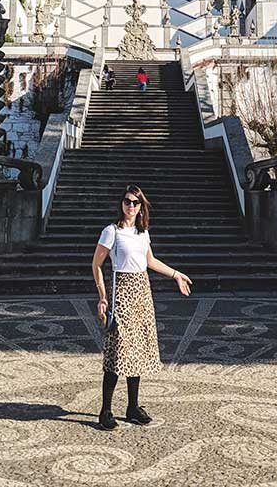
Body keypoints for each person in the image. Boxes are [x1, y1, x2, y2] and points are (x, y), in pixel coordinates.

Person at [91, 184, 192, 430]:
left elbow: (150, 261)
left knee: (137, 351)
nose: (131, 206)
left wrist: (176, 274)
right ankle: (105, 410)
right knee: (118, 350)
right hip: (122, 291)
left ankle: (133, 407)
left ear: (141, 206)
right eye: (127, 201)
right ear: (121, 203)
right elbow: (96, 265)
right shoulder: (111, 232)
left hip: (142, 293)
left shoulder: (142, 232)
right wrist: (103, 297)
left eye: (136, 202)